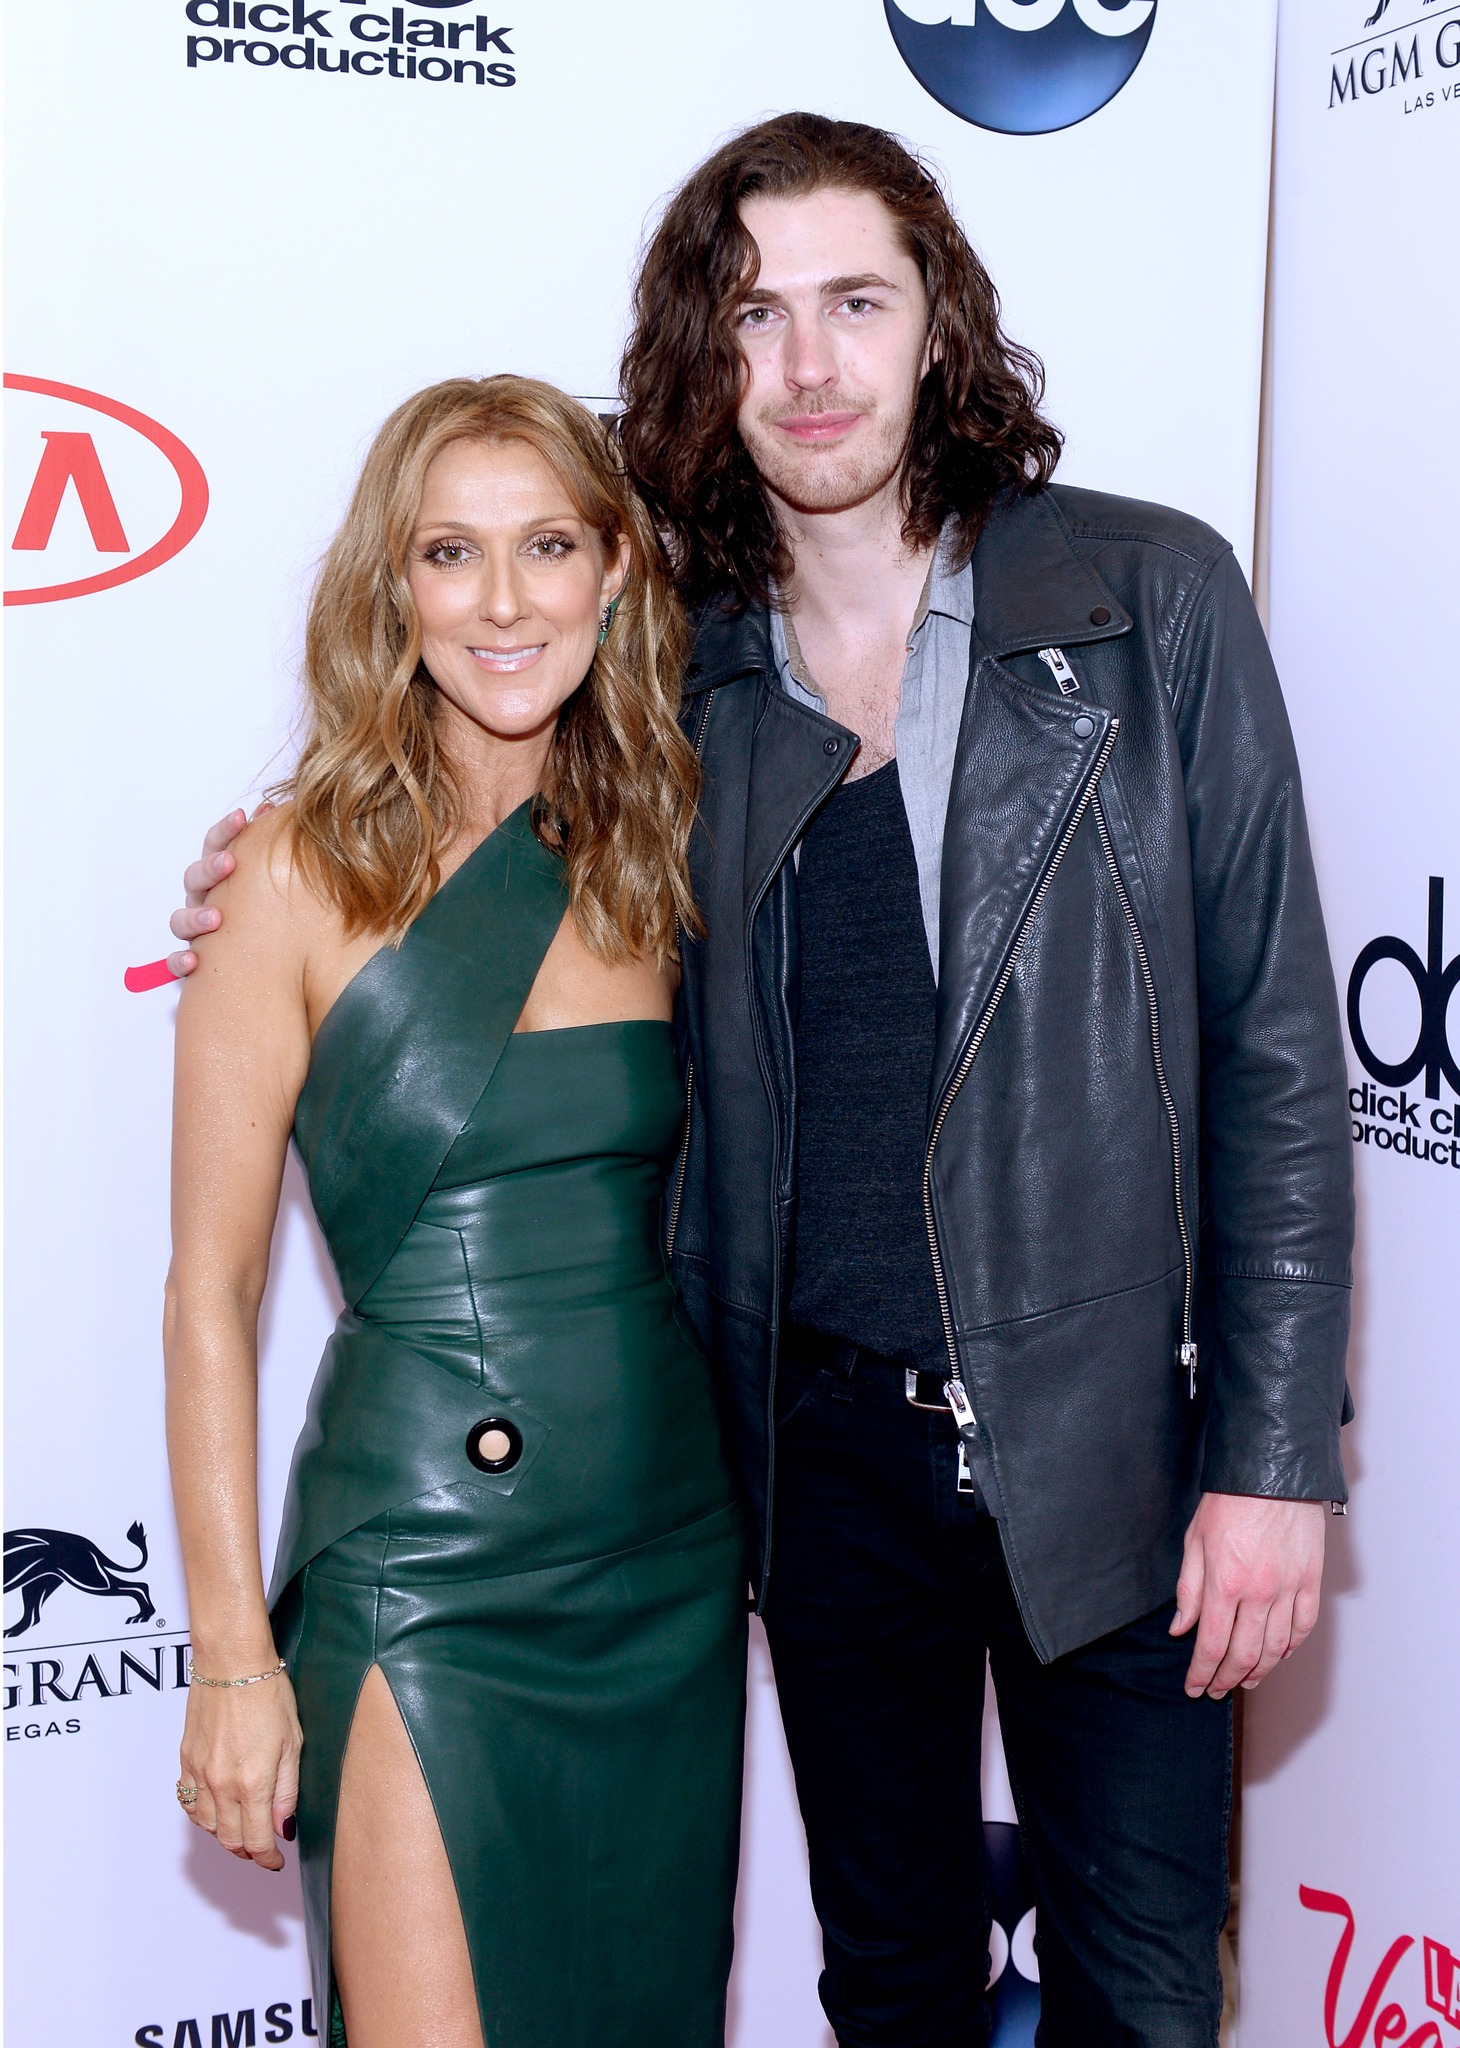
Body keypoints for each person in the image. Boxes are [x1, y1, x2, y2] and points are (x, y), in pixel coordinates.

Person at [171, 116, 1356, 2046]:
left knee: (1142, 1997)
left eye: (855, 303)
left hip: (1110, 1453)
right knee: (889, 1985)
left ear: (935, 323)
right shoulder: (685, 697)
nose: (810, 364)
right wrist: (266, 868)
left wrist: (1277, 1458)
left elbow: (1287, 1060)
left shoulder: (1150, 600)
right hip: (817, 1480)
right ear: (706, 367)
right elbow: (442, 876)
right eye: (755, 319)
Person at [164, 375, 746, 2048]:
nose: (503, 604)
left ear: (617, 569)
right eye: (450, 552)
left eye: (548, 546)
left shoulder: (670, 845)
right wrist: (228, 1654)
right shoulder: (285, 875)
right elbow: (210, 1295)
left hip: (661, 1557)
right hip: (419, 1569)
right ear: (389, 587)